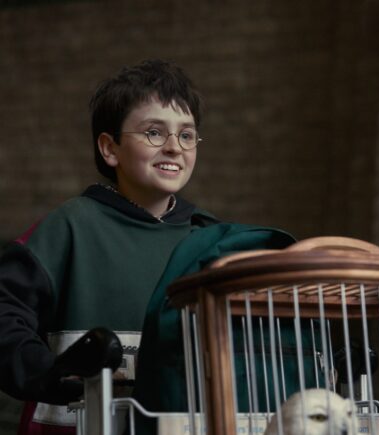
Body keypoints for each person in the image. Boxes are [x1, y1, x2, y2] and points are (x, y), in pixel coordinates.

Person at [0, 59, 297, 435]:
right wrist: (47, 373)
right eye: (154, 133)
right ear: (110, 148)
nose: (174, 147)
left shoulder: (211, 239)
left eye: (186, 135)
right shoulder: (68, 227)